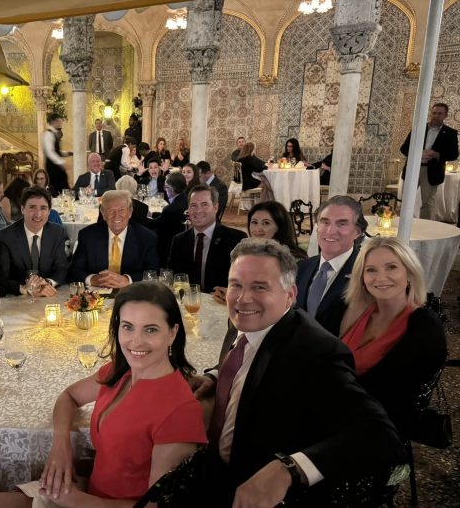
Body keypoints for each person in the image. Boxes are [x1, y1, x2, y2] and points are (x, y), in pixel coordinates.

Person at [190, 239, 406, 506]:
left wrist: (289, 469)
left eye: (260, 287)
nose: (243, 298)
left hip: (254, 487)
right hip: (213, 466)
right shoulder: (246, 318)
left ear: (290, 295)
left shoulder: (316, 353)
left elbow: (381, 435)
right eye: (236, 284)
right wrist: (214, 376)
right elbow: (244, 360)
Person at [0, 282, 206, 508]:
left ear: (172, 333)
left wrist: (77, 500)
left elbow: (156, 507)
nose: (136, 341)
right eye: (128, 326)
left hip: (98, 503)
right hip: (89, 492)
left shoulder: (180, 411)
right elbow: (69, 396)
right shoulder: (120, 371)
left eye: (150, 329)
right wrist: (61, 445)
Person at [340, 237, 447, 440]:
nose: (381, 277)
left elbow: (395, 398)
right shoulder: (362, 311)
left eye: (391, 267)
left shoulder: (424, 327)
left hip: (375, 429)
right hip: (341, 410)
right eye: (371, 270)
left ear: (409, 273)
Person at [296, 195, 366, 336]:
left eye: (342, 224)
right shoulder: (302, 267)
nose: (330, 231)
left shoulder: (365, 272)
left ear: (357, 232)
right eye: (325, 222)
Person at [212, 200, 306, 304]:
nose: (258, 228)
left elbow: (293, 301)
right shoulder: (246, 252)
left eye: (266, 223)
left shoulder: (295, 261)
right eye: (254, 222)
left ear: (279, 227)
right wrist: (229, 294)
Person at [69, 190, 159, 288]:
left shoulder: (146, 237)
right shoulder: (87, 235)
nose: (116, 215)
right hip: (96, 293)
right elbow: (74, 271)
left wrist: (127, 280)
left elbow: (153, 273)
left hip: (132, 294)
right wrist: (92, 279)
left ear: (130, 212)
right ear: (103, 214)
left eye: (121, 210)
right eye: (110, 211)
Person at [168, 185, 246, 293]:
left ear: (215, 207)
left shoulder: (236, 240)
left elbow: (245, 280)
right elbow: (174, 277)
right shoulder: (179, 241)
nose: (198, 210)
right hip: (189, 304)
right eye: (193, 205)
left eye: (204, 205)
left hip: (222, 305)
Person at [0, 186, 68, 297]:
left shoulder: (57, 233)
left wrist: (47, 283)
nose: (38, 214)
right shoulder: (6, 237)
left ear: (49, 211)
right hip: (18, 299)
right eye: (32, 207)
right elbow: (0, 278)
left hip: (48, 296)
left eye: (43, 208)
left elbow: (62, 269)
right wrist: (24, 289)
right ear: (22, 209)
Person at [400, 102, 459, 220]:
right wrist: (418, 153)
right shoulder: (418, 128)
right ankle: (403, 226)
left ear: (445, 115)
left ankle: (424, 229)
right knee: (406, 200)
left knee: (427, 203)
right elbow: (404, 148)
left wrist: (437, 155)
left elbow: (454, 155)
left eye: (440, 113)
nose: (436, 116)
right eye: (434, 113)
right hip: (413, 169)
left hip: (432, 171)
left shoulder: (450, 133)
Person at [147, 171, 188, 265]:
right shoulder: (185, 198)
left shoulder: (171, 209)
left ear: (174, 188)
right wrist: (153, 215)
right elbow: (165, 217)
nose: (165, 190)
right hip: (182, 237)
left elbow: (154, 224)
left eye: (167, 187)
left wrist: (141, 218)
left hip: (169, 244)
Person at [43, 113, 70, 196]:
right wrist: (61, 162)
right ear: (53, 122)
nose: (60, 122)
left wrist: (67, 153)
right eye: (59, 121)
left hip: (56, 167)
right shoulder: (48, 134)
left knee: (63, 188)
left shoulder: (54, 133)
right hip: (53, 168)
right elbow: (49, 152)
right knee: (56, 189)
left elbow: (56, 151)